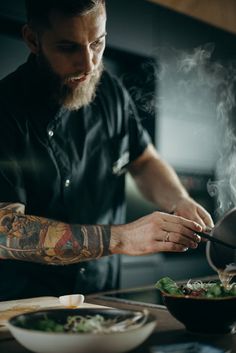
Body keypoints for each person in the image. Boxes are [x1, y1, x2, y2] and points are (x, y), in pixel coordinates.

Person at [0, 0, 214, 301]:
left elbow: (144, 159)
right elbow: (5, 231)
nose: (88, 64)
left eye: (97, 43)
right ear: (33, 39)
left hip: (104, 294)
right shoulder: (5, 111)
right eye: (68, 47)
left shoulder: (110, 92)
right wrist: (122, 238)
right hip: (26, 305)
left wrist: (178, 198)